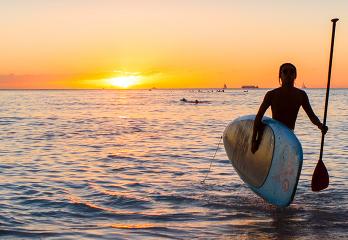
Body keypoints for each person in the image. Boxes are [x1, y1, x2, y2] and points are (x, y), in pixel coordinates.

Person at [251, 63, 328, 154]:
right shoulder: (271, 95)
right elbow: (259, 117)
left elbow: (311, 116)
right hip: (275, 136)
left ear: (295, 75)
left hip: (289, 136)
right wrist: (254, 141)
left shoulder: (301, 95)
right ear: (280, 75)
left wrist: (320, 125)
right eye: (285, 72)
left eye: (292, 72)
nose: (288, 74)